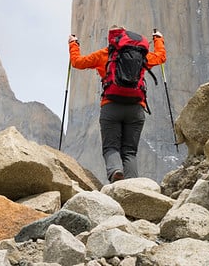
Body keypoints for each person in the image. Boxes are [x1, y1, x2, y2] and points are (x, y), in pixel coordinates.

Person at [68, 25, 166, 183]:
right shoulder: (141, 55)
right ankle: (132, 186)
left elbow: (77, 62)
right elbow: (161, 57)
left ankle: (115, 171)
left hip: (111, 106)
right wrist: (158, 39)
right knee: (130, 151)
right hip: (136, 108)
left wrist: (73, 44)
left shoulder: (105, 54)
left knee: (111, 147)